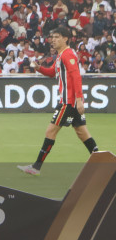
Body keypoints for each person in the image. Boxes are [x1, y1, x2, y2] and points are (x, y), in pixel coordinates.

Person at [19, 27, 99, 175]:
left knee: (50, 131)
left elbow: (76, 77)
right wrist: (39, 68)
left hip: (68, 102)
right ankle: (103, 163)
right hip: (71, 101)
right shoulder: (61, 55)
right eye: (52, 37)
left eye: (56, 37)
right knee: (82, 132)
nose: (52, 40)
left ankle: (36, 167)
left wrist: (79, 100)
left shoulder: (67, 55)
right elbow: (51, 73)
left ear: (66, 39)